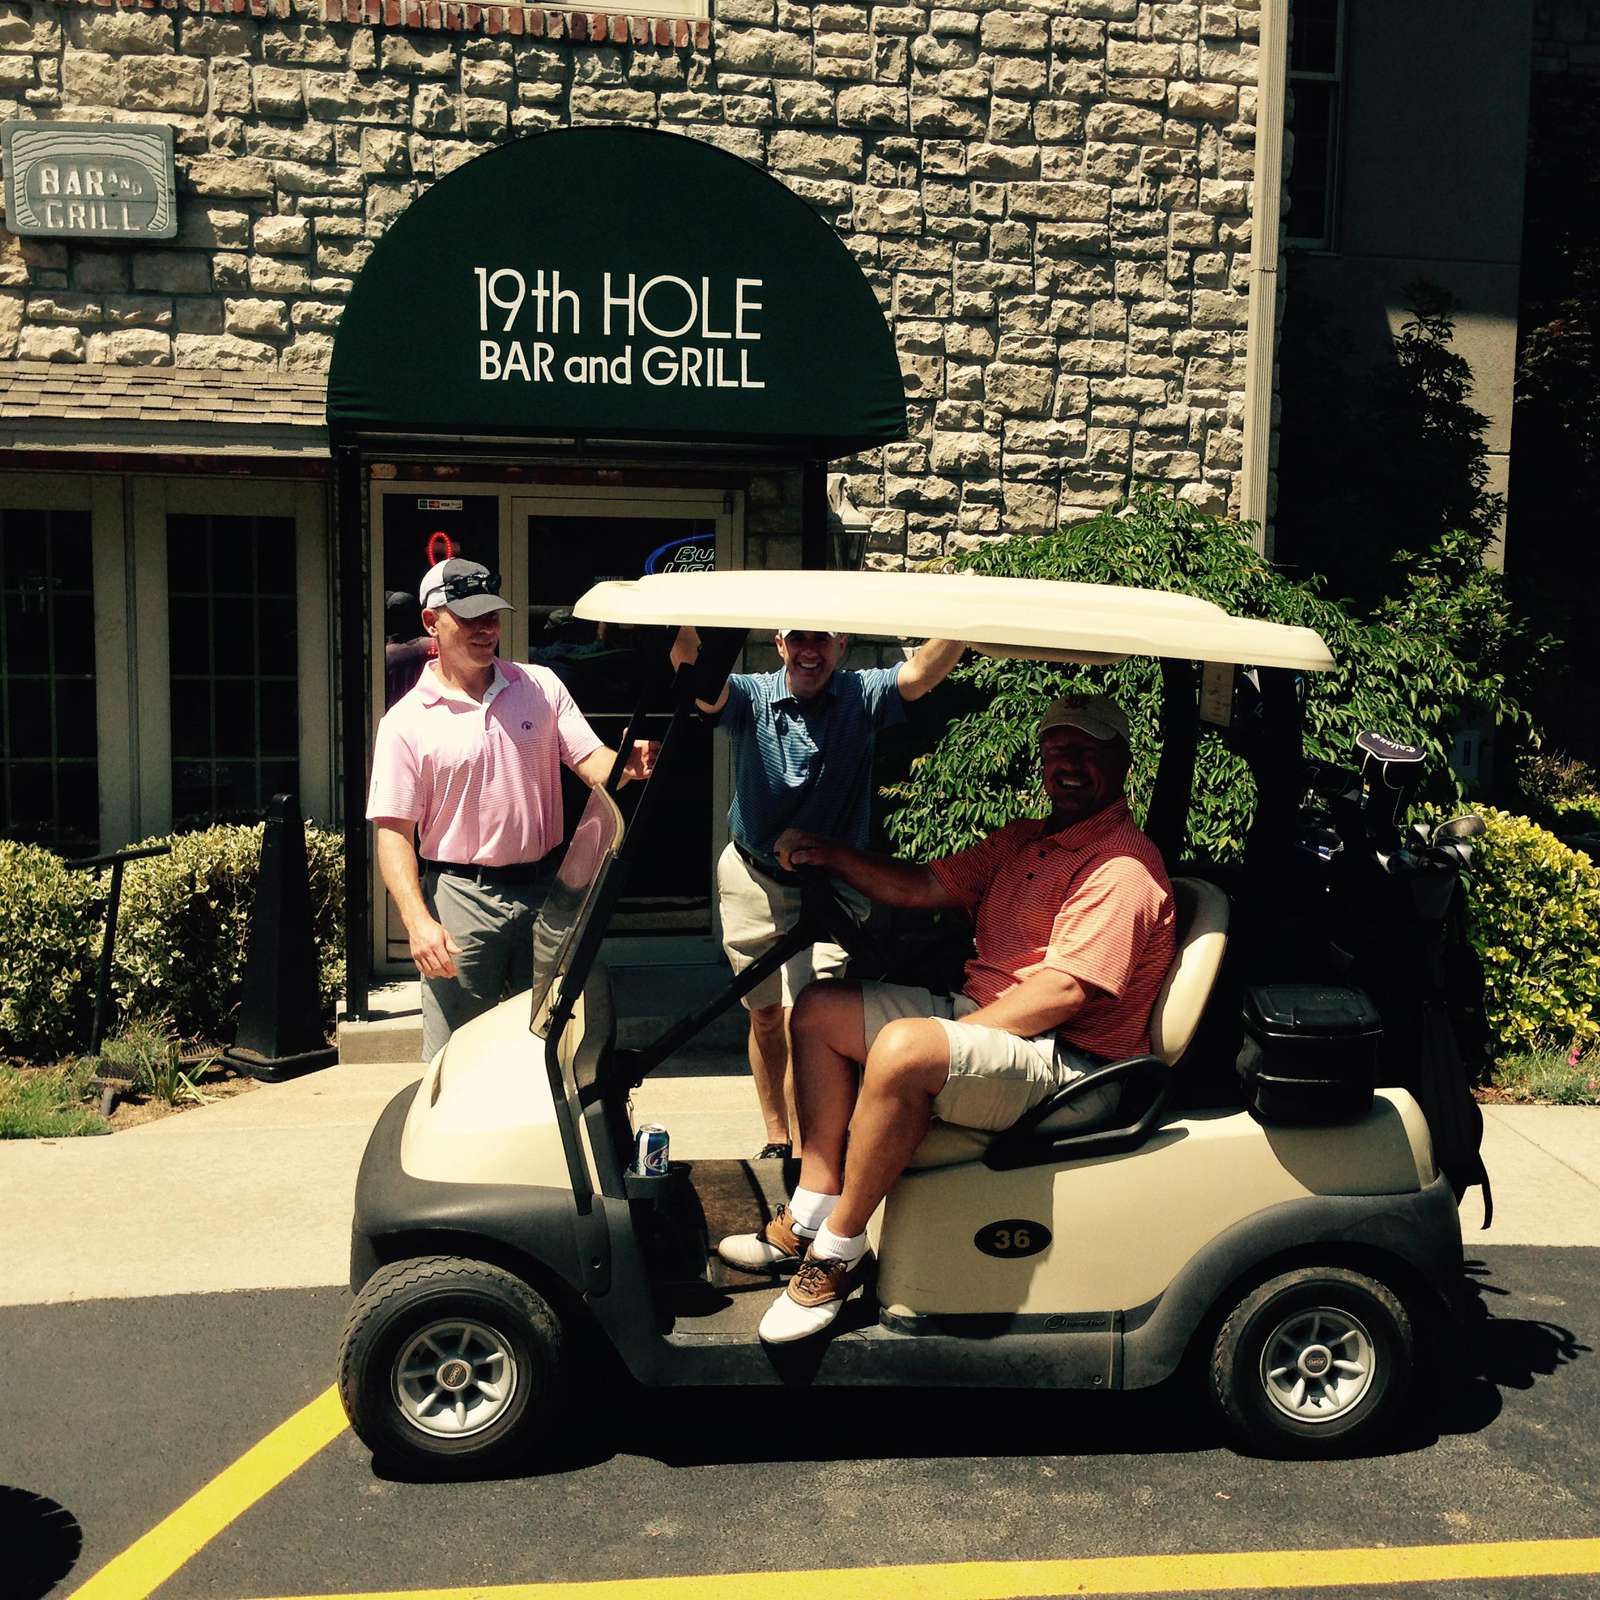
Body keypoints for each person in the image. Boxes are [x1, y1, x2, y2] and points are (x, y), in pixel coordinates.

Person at [718, 693, 1177, 1343]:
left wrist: (953, 1037)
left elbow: (1063, 994)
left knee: (907, 1051)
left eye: (1086, 751)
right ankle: (814, 1212)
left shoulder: (1123, 866)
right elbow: (923, 887)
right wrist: (830, 854)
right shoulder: (1029, 838)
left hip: (1068, 1065)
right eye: (1055, 752)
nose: (1067, 765)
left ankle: (836, 1258)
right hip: (999, 1023)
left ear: (1122, 761)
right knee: (819, 1010)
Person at [678, 624, 964, 1161]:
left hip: (832, 881)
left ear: (841, 647)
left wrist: (962, 620)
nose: (810, 651)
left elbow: (922, 674)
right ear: (780, 646)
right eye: (798, 639)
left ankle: (817, 1150)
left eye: (822, 640)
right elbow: (701, 681)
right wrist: (683, 621)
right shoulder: (751, 695)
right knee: (765, 1014)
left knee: (813, 1015)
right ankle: (776, 1137)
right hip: (754, 876)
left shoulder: (861, 693)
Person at [368, 558, 655, 1060]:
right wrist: (416, 921)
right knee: (455, 1057)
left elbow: (592, 764)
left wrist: (626, 764)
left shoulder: (540, 686)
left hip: (549, 891)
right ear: (431, 622)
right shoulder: (405, 723)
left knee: (554, 1043)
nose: (486, 629)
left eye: (493, 617)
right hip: (461, 897)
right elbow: (393, 832)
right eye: (469, 617)